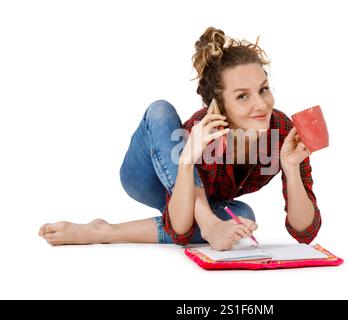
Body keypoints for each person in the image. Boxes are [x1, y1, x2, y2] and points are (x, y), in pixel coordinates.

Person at [38, 27, 322, 251]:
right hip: (146, 176)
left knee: (243, 215)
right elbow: (181, 225)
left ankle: (106, 229)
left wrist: (291, 167)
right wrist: (186, 161)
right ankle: (205, 225)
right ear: (219, 106)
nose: (261, 105)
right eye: (242, 96)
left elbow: (304, 232)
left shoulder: (283, 132)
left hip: (188, 205)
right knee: (160, 111)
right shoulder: (201, 129)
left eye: (263, 89)